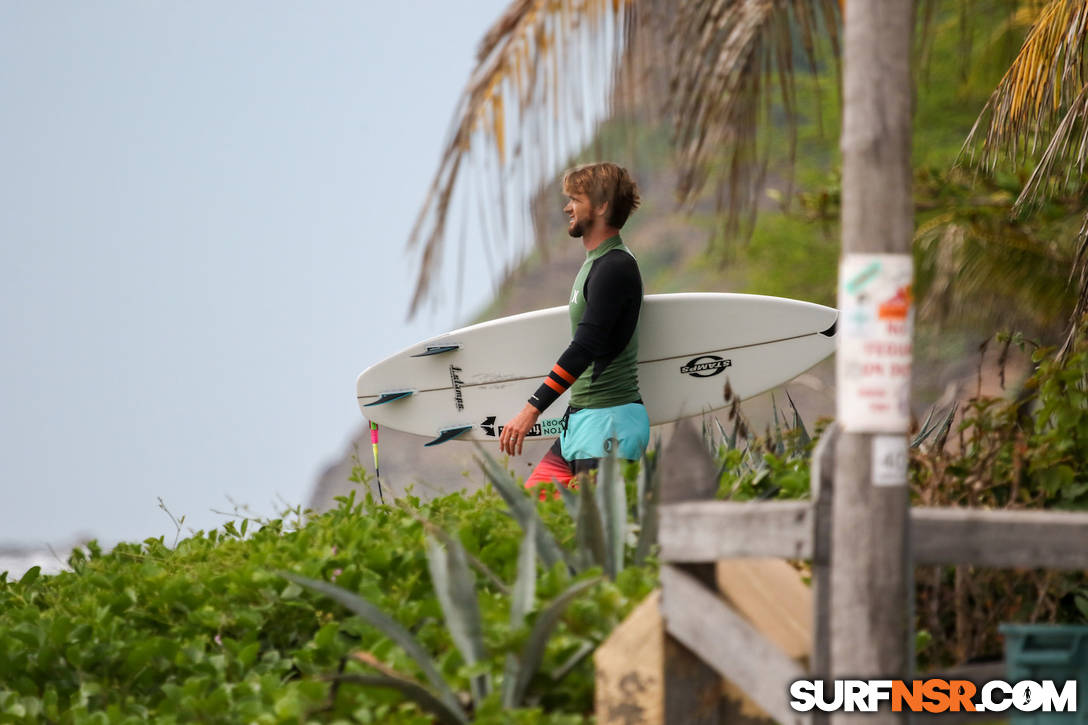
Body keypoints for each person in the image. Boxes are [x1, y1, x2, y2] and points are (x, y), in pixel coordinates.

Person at [498, 162, 649, 492]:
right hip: (581, 423)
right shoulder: (596, 264)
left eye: (575, 199)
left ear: (602, 205)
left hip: (609, 427)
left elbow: (585, 346)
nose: (567, 207)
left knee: (596, 538)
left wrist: (531, 409)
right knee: (532, 517)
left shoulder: (616, 267)